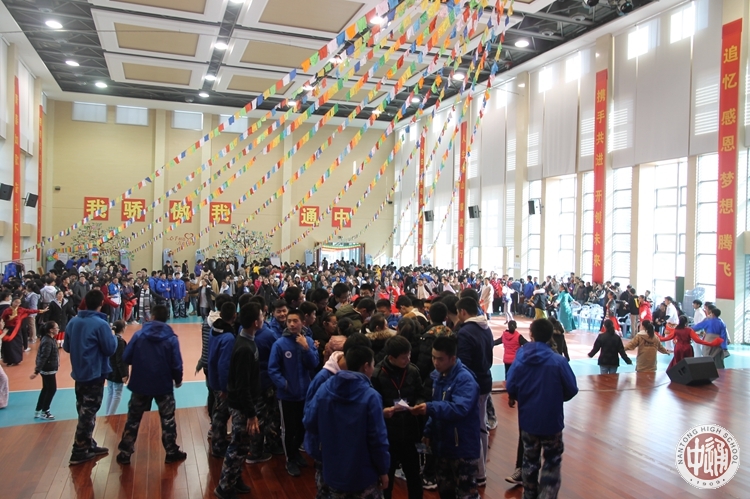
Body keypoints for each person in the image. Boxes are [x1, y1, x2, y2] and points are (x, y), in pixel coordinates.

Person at [303, 345, 390, 499]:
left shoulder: (325, 387)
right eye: (373, 365)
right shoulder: (371, 397)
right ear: (366, 366)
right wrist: (383, 470)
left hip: (332, 470)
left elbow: (309, 421)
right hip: (363, 474)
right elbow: (378, 440)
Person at [506, 319, 579, 499]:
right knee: (552, 461)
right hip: (552, 421)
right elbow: (571, 388)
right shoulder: (558, 361)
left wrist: (520, 397)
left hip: (528, 421)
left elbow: (511, 385)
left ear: (531, 334)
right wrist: (556, 398)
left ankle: (529, 495)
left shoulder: (520, 357)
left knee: (529, 461)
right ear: (550, 336)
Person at [409, 336, 480, 499]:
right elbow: (437, 406)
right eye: (433, 357)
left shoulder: (465, 380)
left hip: (462, 447)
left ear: (452, 358)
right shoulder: (438, 376)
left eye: (440, 359)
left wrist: (429, 408)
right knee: (445, 491)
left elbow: (459, 408)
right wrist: (428, 431)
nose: (435, 362)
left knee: (466, 493)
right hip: (443, 446)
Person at [116, 304, 186, 465]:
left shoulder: (139, 335)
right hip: (163, 384)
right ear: (166, 318)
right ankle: (171, 451)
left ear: (152, 317)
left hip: (140, 383)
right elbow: (176, 364)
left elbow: (126, 357)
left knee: (133, 418)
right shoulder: (171, 338)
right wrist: (178, 380)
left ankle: (125, 452)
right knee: (168, 419)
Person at [214, 303, 264, 499]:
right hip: (243, 406)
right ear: (255, 322)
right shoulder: (244, 348)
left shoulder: (246, 340)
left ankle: (235, 479)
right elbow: (242, 386)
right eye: (261, 316)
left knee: (243, 446)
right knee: (237, 446)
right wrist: (251, 414)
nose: (263, 318)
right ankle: (224, 487)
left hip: (245, 403)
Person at [63, 290, 118, 465]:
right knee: (88, 411)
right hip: (94, 373)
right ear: (101, 303)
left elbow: (67, 347)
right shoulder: (101, 324)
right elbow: (109, 349)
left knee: (83, 408)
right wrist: (113, 337)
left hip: (79, 372)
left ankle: (88, 443)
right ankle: (79, 450)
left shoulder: (73, 321)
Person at [371, 336, 424, 499]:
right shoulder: (377, 374)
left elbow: (420, 394)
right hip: (388, 436)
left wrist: (419, 405)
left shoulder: (413, 371)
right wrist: (383, 411)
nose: (408, 359)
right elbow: (373, 405)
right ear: (391, 358)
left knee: (414, 476)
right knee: (387, 479)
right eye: (404, 357)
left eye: (409, 355)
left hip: (410, 432)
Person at [267, 308, 319, 477]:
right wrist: (284, 385)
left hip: (305, 394)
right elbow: (273, 369)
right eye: (289, 321)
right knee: (288, 430)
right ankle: (290, 459)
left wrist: (306, 348)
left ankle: (296, 452)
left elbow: (313, 364)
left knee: (303, 426)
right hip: (287, 396)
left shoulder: (308, 341)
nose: (291, 324)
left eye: (295, 321)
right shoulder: (279, 344)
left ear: (302, 323)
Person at [455, 297, 493, 488]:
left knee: (473, 428)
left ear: (463, 311)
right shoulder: (485, 327)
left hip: (473, 385)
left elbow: (464, 364)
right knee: (481, 426)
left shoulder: (465, 332)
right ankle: (481, 469)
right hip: (486, 380)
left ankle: (478, 471)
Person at [207, 302, 238, 458]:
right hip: (221, 383)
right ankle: (218, 445)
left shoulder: (214, 330)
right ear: (234, 316)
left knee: (217, 412)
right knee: (221, 414)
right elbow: (224, 365)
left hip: (213, 378)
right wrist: (225, 388)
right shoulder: (228, 338)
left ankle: (218, 440)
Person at [1, 297, 47, 366]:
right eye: (16, 302)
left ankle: (17, 360)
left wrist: (41, 310)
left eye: (19, 303)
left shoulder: (21, 309)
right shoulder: (7, 310)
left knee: (17, 345)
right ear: (12, 302)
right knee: (8, 346)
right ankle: (9, 360)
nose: (17, 304)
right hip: (8, 330)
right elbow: (2, 319)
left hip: (17, 330)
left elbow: (30, 311)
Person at [31, 321, 60, 420]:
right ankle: (45, 411)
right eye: (56, 327)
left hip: (47, 369)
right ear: (51, 330)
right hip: (48, 369)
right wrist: (36, 371)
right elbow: (44, 356)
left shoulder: (48, 339)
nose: (58, 329)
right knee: (51, 389)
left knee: (46, 389)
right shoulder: (48, 341)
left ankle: (38, 410)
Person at [105, 320, 129, 416]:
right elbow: (120, 360)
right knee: (117, 394)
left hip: (109, 370)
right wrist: (124, 374)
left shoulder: (110, 340)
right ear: (122, 329)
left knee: (110, 393)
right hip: (117, 372)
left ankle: (107, 415)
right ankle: (110, 415)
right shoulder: (120, 342)